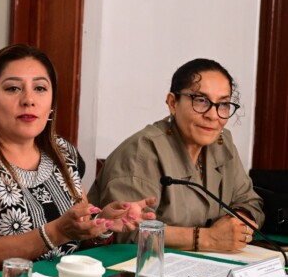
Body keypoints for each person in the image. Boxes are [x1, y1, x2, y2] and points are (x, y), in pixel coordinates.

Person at [0, 44, 156, 273]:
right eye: (13, 88)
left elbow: (79, 242)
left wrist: (101, 225)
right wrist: (56, 232)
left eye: (40, 89)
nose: (28, 100)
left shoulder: (62, 152)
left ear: (51, 104)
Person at [88, 58, 264, 251]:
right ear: (173, 103)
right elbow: (126, 232)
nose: (213, 115)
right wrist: (207, 238)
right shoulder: (141, 152)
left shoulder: (222, 143)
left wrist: (236, 223)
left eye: (223, 104)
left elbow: (250, 202)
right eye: (201, 101)